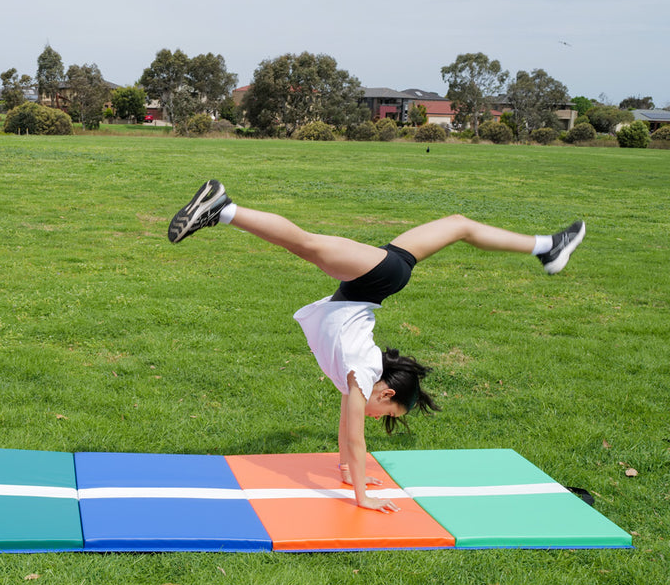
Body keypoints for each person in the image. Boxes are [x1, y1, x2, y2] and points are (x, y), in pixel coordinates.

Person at [168, 180, 586, 514]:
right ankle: (222, 209)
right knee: (308, 245)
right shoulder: (364, 375)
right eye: (388, 411)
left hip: (382, 277)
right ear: (386, 392)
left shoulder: (354, 380)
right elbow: (356, 438)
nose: (377, 416)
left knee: (460, 224)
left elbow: (345, 433)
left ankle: (548, 246)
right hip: (376, 280)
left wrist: (348, 474)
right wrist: (361, 497)